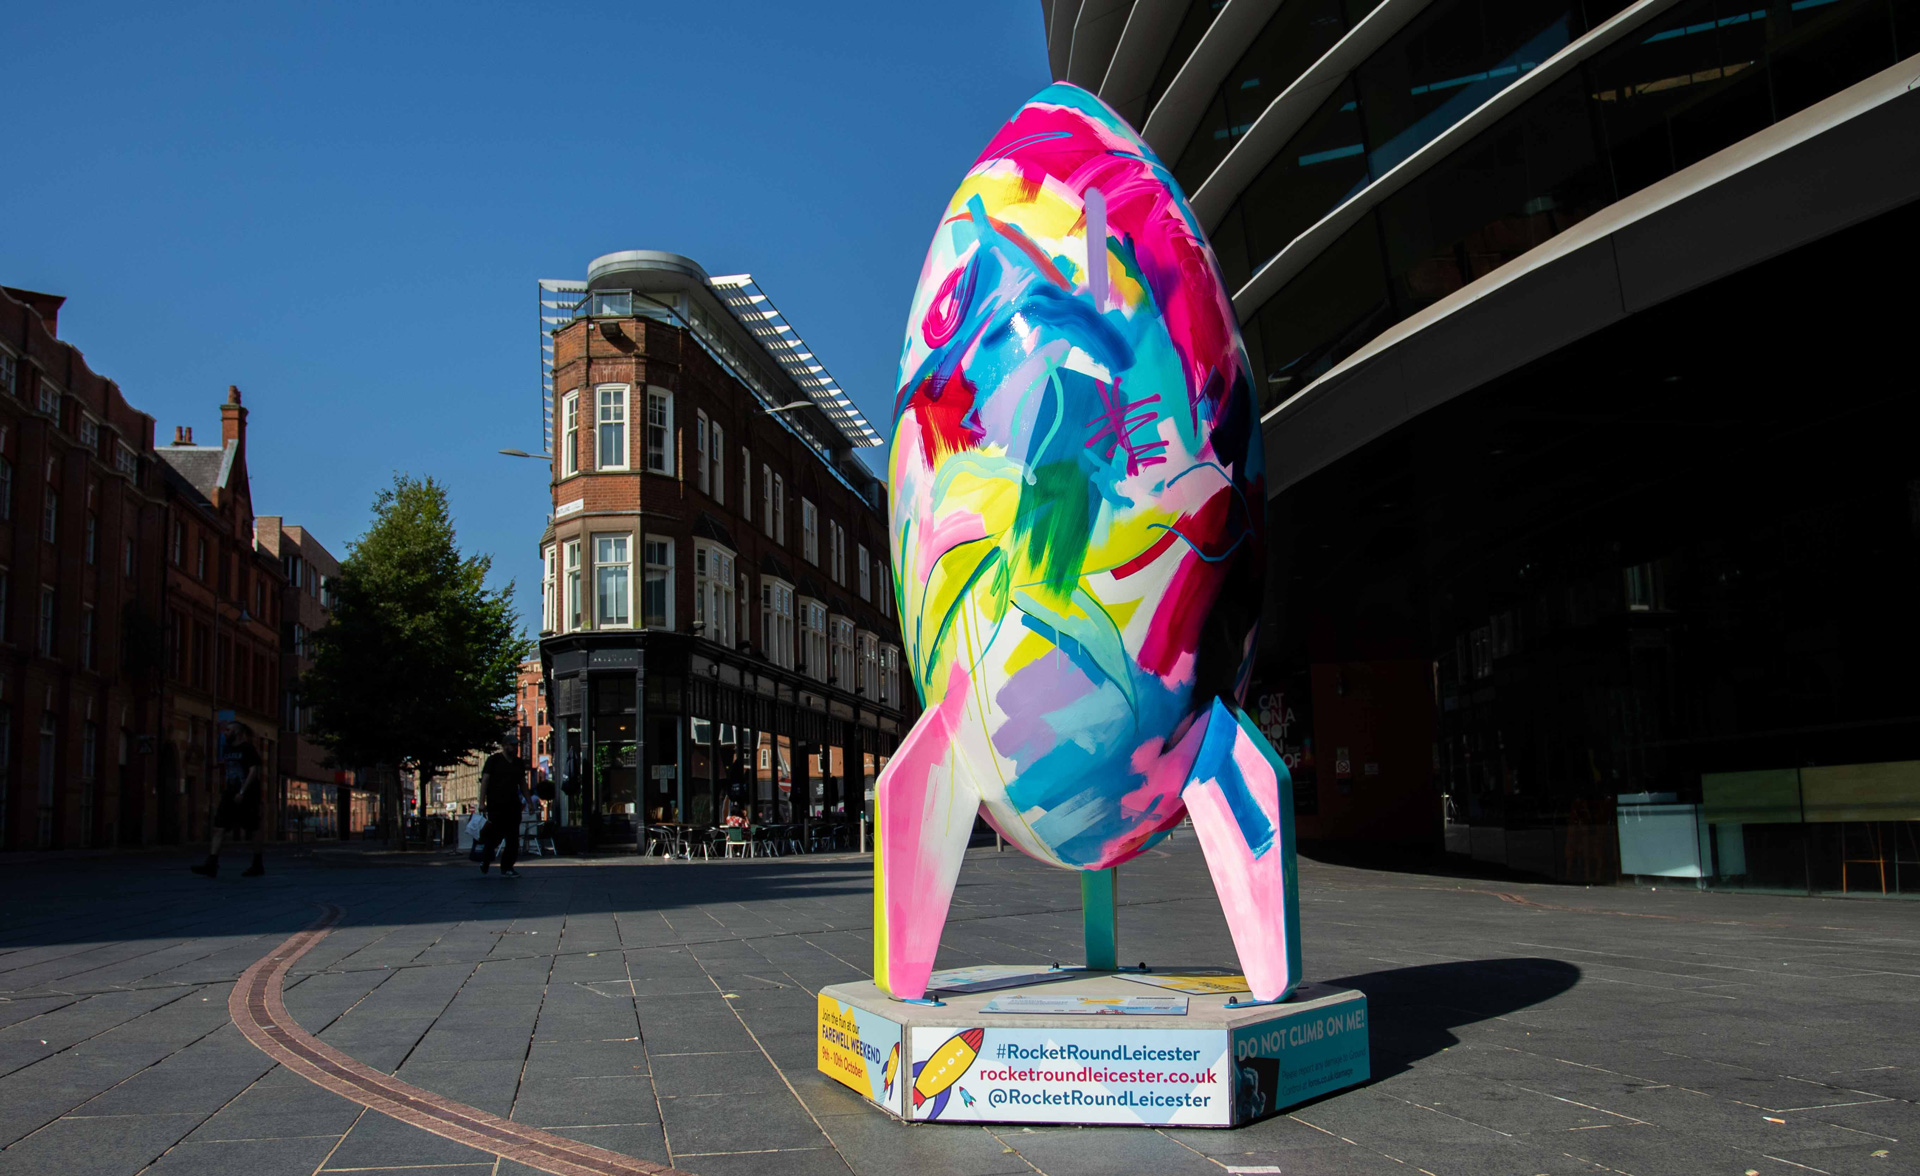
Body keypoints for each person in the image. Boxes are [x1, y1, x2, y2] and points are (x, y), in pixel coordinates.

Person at [191, 721, 266, 878]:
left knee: (253, 828)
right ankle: (211, 863)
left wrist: (242, 791)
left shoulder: (247, 748)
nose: (225, 733)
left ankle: (257, 864)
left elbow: (253, 771)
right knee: (219, 827)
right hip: (230, 793)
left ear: (236, 732)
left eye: (228, 730)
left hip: (248, 794)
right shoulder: (227, 749)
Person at [477, 740, 522, 877]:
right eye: (512, 745)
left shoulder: (518, 763)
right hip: (496, 805)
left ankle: (507, 867)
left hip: (513, 805)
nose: (515, 748)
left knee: (513, 838)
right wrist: (482, 802)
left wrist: (529, 802)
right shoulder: (494, 760)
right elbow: (485, 780)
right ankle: (485, 859)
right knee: (496, 835)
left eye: (516, 745)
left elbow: (522, 783)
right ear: (504, 746)